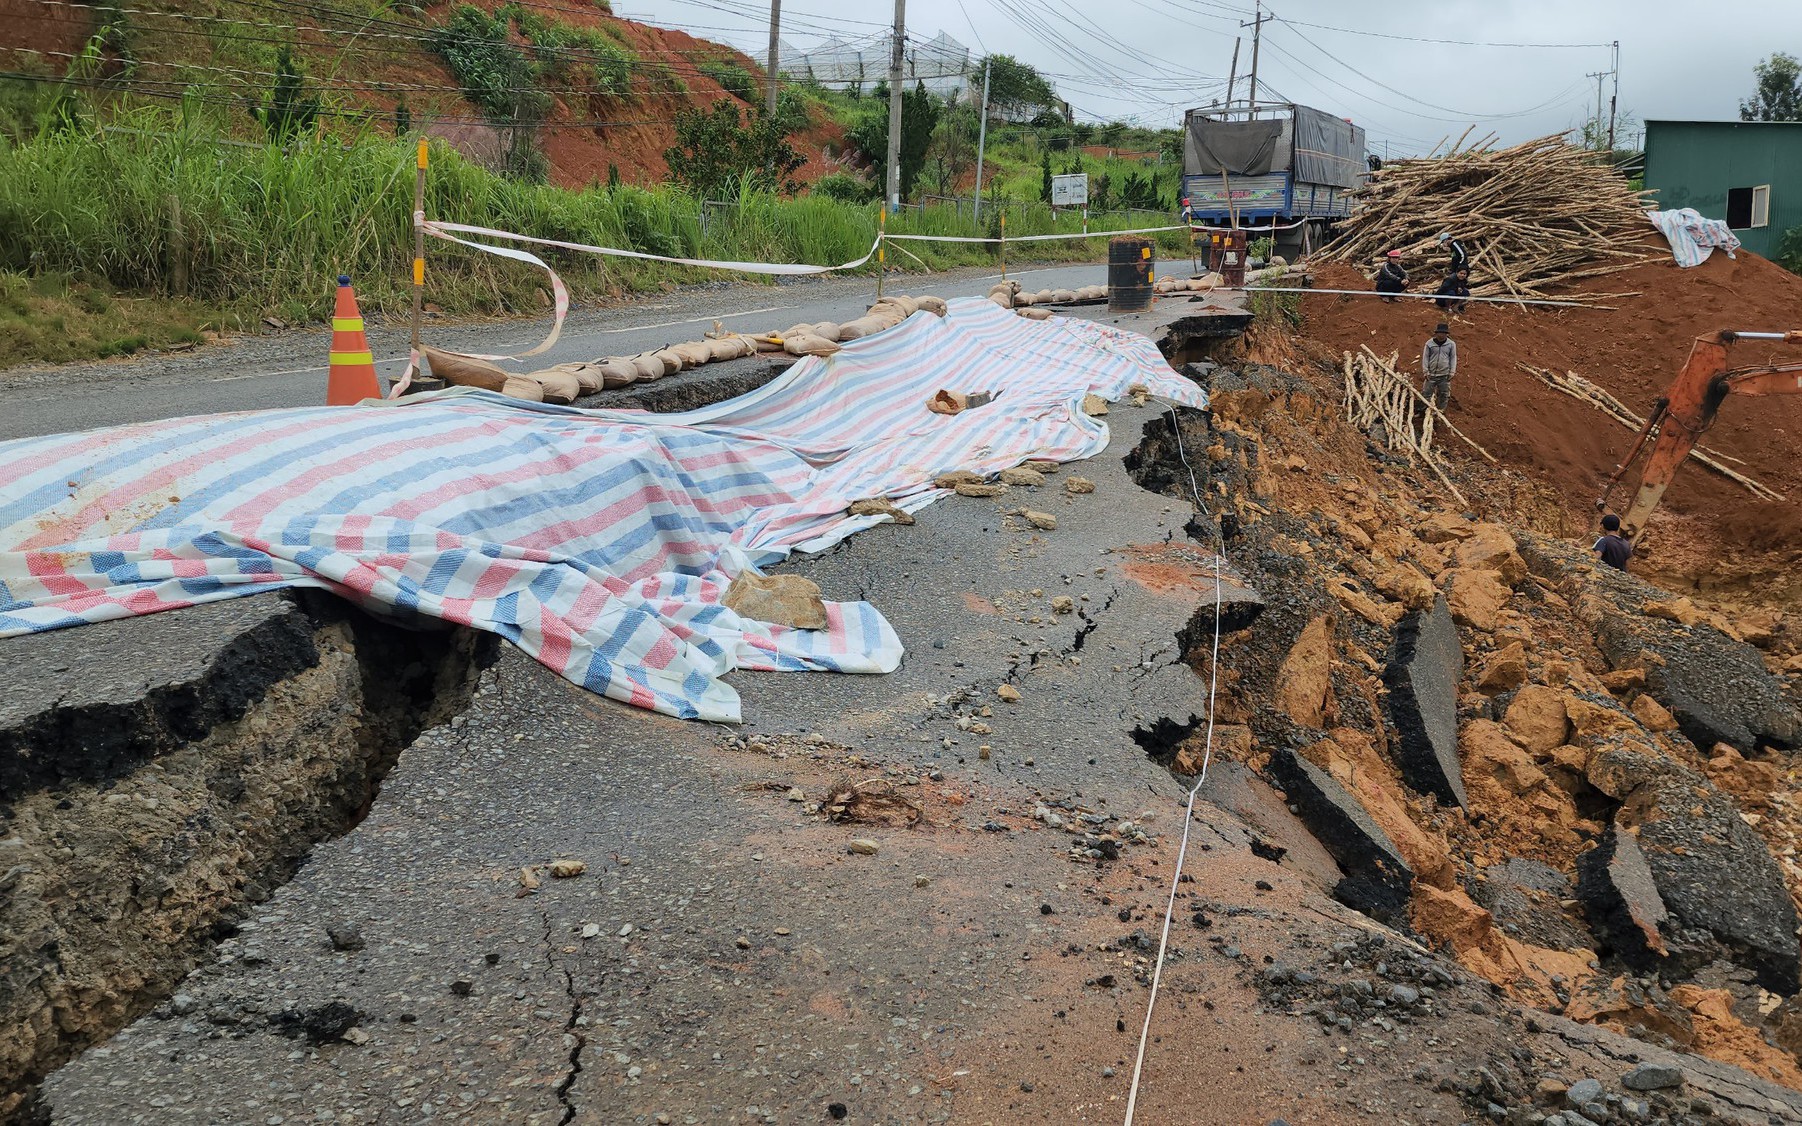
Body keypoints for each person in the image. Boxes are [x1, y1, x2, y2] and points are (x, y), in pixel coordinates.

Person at [1422, 323, 1457, 410]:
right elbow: (1425, 358)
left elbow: (1453, 358)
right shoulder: (1429, 344)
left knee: (1444, 394)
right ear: (1436, 333)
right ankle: (1422, 410)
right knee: (1426, 394)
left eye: (1444, 333)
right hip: (1431, 374)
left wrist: (1452, 371)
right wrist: (1425, 371)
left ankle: (1441, 411)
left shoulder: (1451, 344)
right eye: (1440, 333)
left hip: (1444, 375)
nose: (1441, 335)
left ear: (1446, 334)